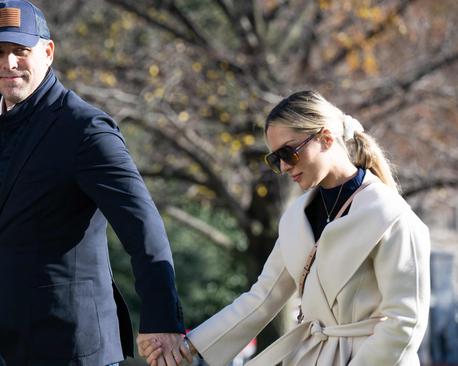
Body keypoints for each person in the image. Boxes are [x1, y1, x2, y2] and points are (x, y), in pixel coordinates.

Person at [0, 1, 186, 365]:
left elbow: (142, 225)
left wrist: (162, 318)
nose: (9, 63)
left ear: (48, 51)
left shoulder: (86, 130)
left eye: (21, 51)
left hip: (68, 344)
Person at [146, 90, 431, 365]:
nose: (282, 167)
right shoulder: (297, 217)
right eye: (275, 159)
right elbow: (263, 297)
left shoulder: (392, 217)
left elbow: (405, 323)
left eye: (288, 153)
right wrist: (187, 346)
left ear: (326, 138)